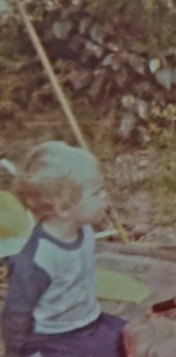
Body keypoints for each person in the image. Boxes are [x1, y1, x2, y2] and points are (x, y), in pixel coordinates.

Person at [1, 141, 126, 357]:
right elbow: (16, 313)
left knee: (133, 335)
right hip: (53, 336)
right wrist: (14, 351)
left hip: (88, 321)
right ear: (64, 207)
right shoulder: (38, 259)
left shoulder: (85, 231)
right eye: (96, 193)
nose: (105, 196)